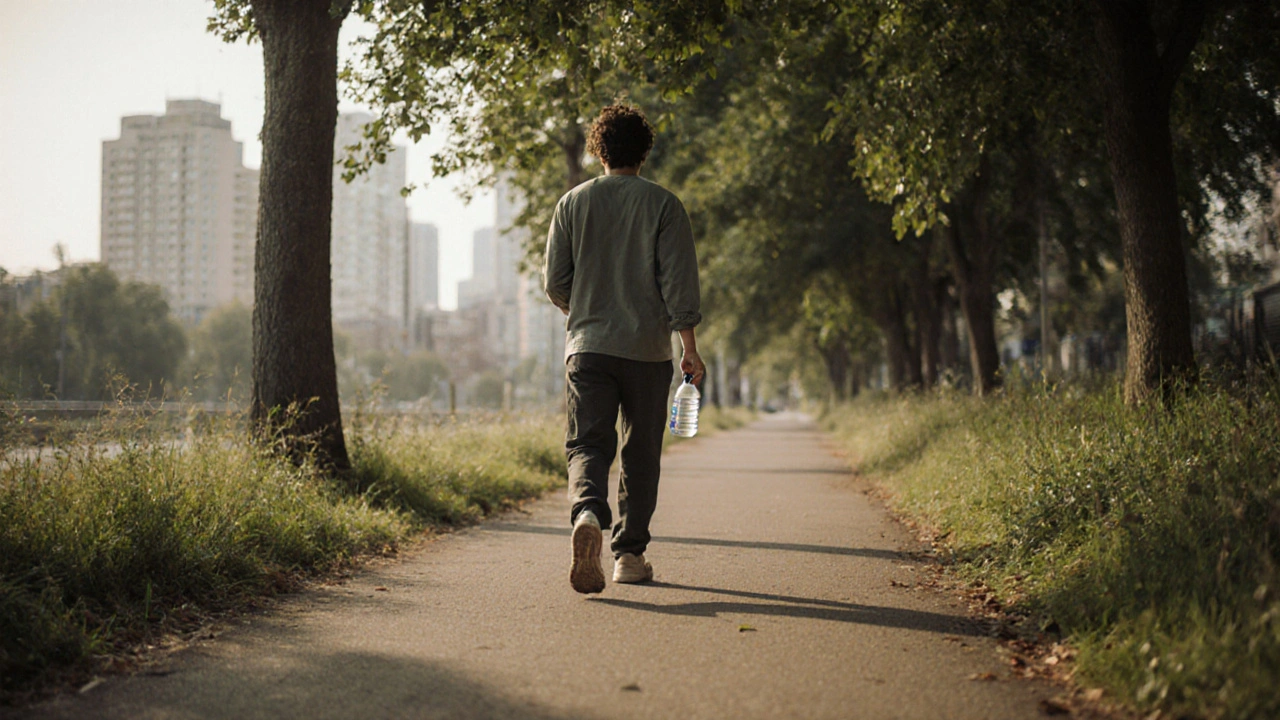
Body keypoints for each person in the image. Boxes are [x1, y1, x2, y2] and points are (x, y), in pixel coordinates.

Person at [543, 103, 705, 594]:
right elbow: (680, 286)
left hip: (587, 348)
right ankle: (629, 556)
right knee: (640, 453)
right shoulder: (664, 204)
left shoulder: (572, 203)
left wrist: (586, 313)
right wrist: (690, 349)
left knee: (587, 444)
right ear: (644, 152)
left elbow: (555, 282)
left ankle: (588, 512)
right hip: (648, 352)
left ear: (599, 149)